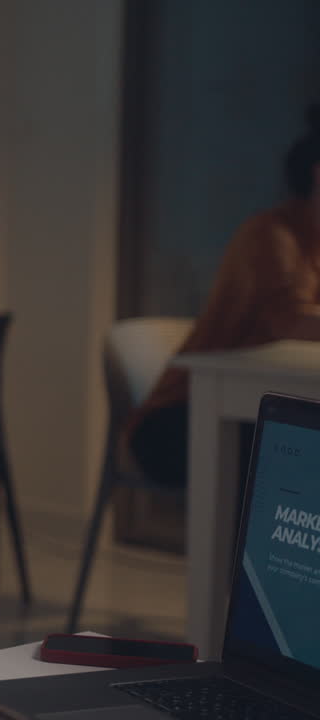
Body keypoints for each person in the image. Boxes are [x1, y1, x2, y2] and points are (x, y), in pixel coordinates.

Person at [128, 106, 320, 483]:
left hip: (254, 405)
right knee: (297, 457)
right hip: (184, 413)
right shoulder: (270, 234)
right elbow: (293, 321)